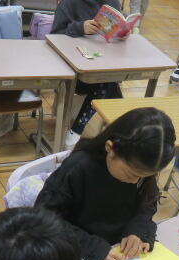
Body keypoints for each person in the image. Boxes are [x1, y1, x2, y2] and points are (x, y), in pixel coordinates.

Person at [35, 107, 176, 260]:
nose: (135, 182)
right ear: (110, 147)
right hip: (76, 252)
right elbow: (44, 219)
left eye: (143, 176)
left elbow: (147, 203)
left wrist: (138, 230)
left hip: (116, 252)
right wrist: (91, 248)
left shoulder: (139, 169)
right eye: (130, 174)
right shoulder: (78, 168)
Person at [51, 0, 126, 149]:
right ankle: (119, 134)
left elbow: (114, 34)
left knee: (108, 80)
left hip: (104, 65)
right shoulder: (69, 3)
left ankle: (79, 132)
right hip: (75, 70)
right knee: (108, 84)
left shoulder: (112, 3)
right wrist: (80, 27)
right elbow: (54, 35)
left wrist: (122, 33)